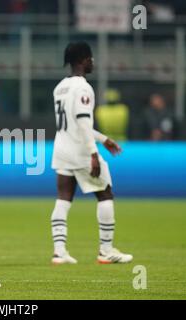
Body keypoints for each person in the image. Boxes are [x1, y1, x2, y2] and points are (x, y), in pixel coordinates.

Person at [50, 41, 133, 264]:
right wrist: (94, 153)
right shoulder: (83, 87)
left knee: (63, 197)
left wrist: (104, 139)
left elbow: (75, 123)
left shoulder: (60, 87)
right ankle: (106, 251)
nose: (92, 62)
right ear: (82, 60)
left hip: (61, 148)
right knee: (105, 193)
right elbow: (83, 122)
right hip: (80, 150)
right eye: (90, 58)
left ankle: (59, 252)